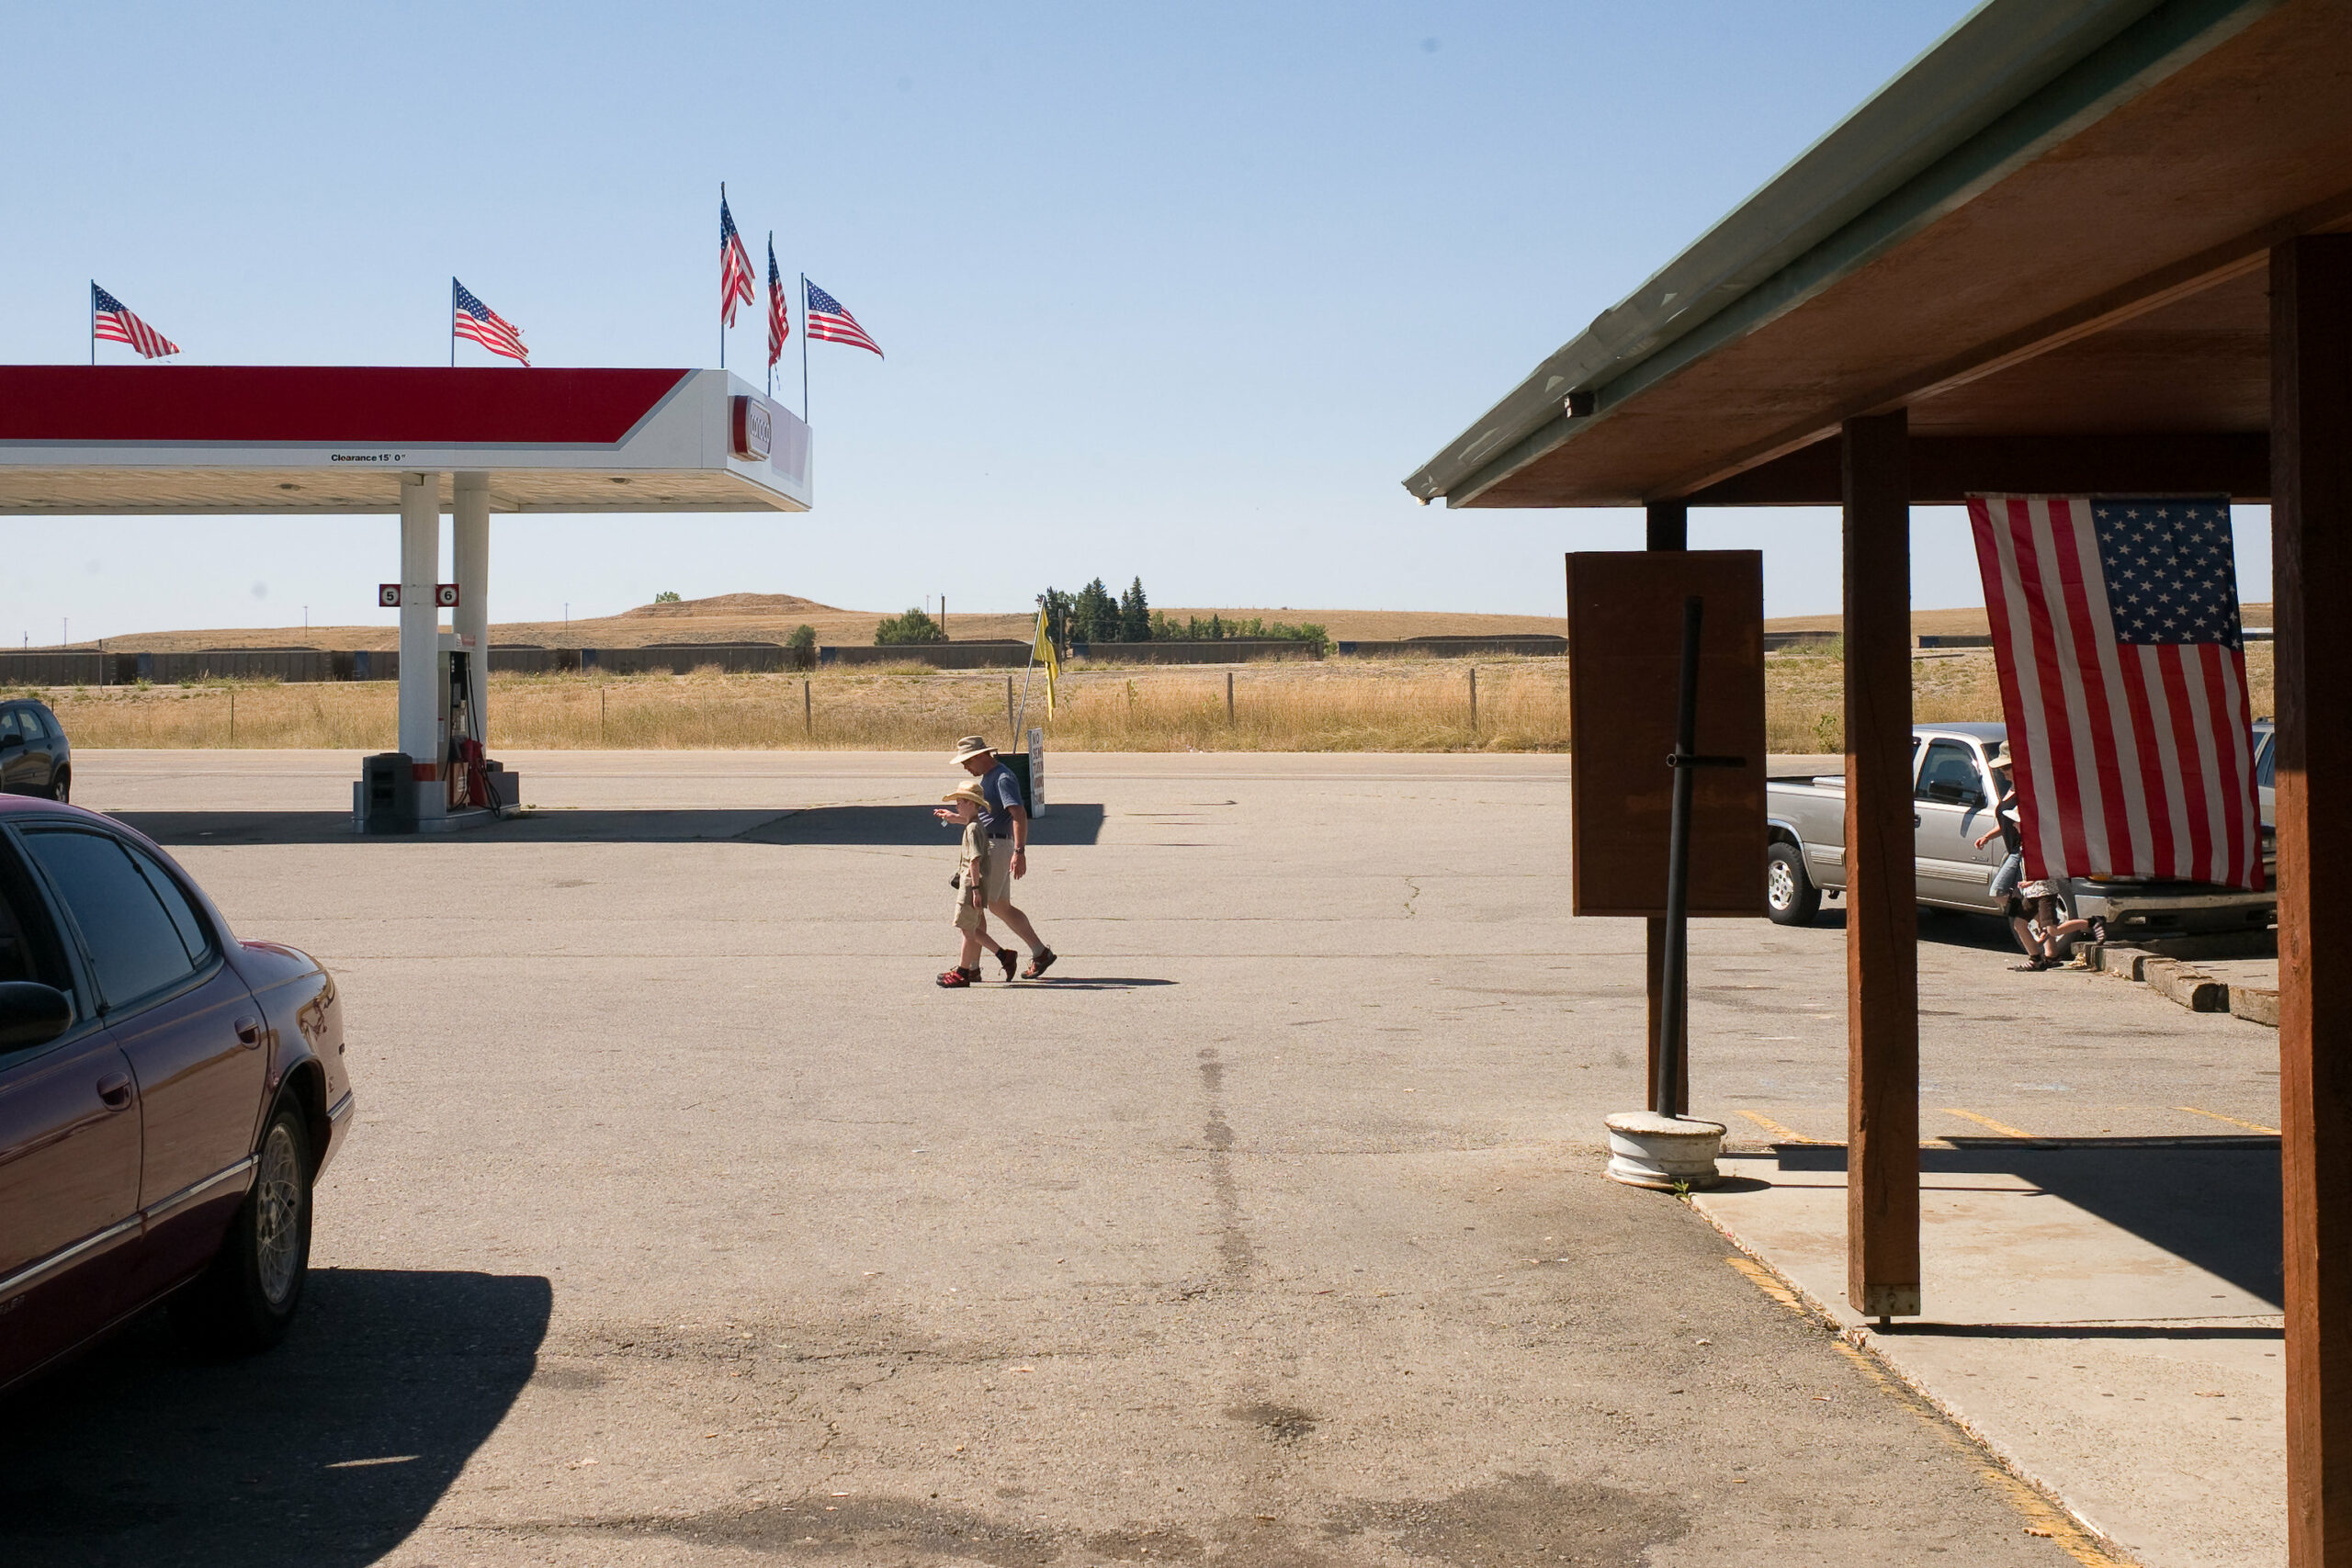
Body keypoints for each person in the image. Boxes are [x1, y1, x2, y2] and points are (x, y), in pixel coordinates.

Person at [951, 734, 1057, 978]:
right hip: (992, 844)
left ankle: (970, 969)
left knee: (976, 907)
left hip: (995, 848)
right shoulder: (990, 777)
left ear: (980, 755)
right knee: (999, 906)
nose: (965, 767)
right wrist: (956, 818)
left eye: (967, 762)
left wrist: (1020, 851)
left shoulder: (1002, 778)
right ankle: (1039, 953)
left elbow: (1018, 814)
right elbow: (988, 817)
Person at [933, 782, 1018, 987]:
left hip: (970, 884)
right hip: (972, 884)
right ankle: (1003, 955)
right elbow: (968, 823)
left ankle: (963, 971)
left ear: (972, 804)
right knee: (970, 926)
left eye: (960, 802)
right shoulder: (977, 824)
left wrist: (976, 889)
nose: (957, 806)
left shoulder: (972, 829)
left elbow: (975, 860)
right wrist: (953, 819)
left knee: (966, 928)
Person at [1973, 744, 2040, 961]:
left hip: (2019, 852)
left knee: (1999, 891)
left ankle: (2034, 918)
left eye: (2007, 766)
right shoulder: (2009, 789)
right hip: (2011, 850)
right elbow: (2006, 822)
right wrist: (1987, 836)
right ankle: (2040, 927)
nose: (2003, 771)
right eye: (2001, 767)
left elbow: (2025, 823)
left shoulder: (2026, 791)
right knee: (2017, 895)